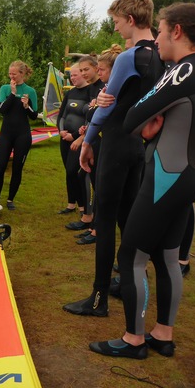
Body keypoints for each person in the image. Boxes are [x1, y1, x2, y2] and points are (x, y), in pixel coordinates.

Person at [89, 2, 195, 359]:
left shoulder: (181, 70)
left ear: (177, 31)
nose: (159, 39)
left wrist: (149, 123)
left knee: (131, 254)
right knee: (167, 257)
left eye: (162, 31)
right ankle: (163, 334)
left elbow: (134, 114)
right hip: (191, 172)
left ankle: (134, 339)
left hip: (166, 175)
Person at [63, 0, 164, 317]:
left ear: (131, 20)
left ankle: (98, 298)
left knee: (105, 222)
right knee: (126, 218)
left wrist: (89, 141)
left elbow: (106, 108)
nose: (117, 28)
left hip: (117, 144)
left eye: (117, 21)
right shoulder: (161, 55)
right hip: (139, 147)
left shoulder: (128, 57)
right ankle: (127, 281)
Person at [74, 45, 123, 245]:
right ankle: (94, 226)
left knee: (103, 191)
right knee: (97, 187)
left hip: (106, 144)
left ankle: (97, 228)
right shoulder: (101, 89)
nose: (97, 73)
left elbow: (98, 115)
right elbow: (93, 115)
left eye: (99, 70)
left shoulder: (109, 90)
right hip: (97, 140)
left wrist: (89, 133)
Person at [0, 60, 38, 210]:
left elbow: (34, 116)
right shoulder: (5, 88)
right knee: (0, 167)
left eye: (14, 74)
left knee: (17, 168)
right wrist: (12, 94)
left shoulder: (30, 91)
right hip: (6, 133)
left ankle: (10, 199)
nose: (11, 76)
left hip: (22, 134)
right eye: (9, 73)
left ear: (22, 74)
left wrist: (27, 106)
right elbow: (2, 110)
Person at [64, 55, 102, 231]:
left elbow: (101, 115)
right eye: (82, 70)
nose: (84, 73)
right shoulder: (93, 88)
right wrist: (84, 131)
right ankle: (89, 220)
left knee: (88, 178)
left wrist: (81, 137)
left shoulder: (101, 87)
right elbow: (91, 115)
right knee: (84, 177)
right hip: (91, 138)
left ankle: (93, 224)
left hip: (99, 140)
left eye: (87, 69)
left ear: (96, 68)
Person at [56, 63, 92, 218]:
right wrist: (61, 130)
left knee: (74, 171)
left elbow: (89, 118)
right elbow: (61, 115)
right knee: (68, 172)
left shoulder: (90, 92)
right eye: (71, 75)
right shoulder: (70, 93)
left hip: (78, 139)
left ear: (83, 75)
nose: (72, 78)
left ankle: (83, 206)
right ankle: (71, 204)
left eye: (75, 75)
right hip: (65, 138)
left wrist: (75, 136)